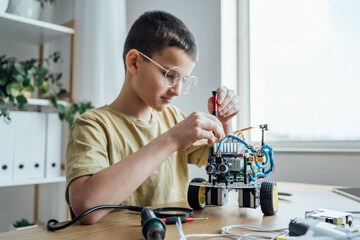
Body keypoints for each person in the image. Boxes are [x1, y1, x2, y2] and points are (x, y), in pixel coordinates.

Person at [66, 10, 240, 224]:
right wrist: (172, 140)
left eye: (184, 80)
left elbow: (222, 164)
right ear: (134, 63)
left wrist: (224, 121)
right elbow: (86, 207)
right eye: (170, 75)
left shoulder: (174, 118)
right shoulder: (93, 126)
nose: (177, 90)